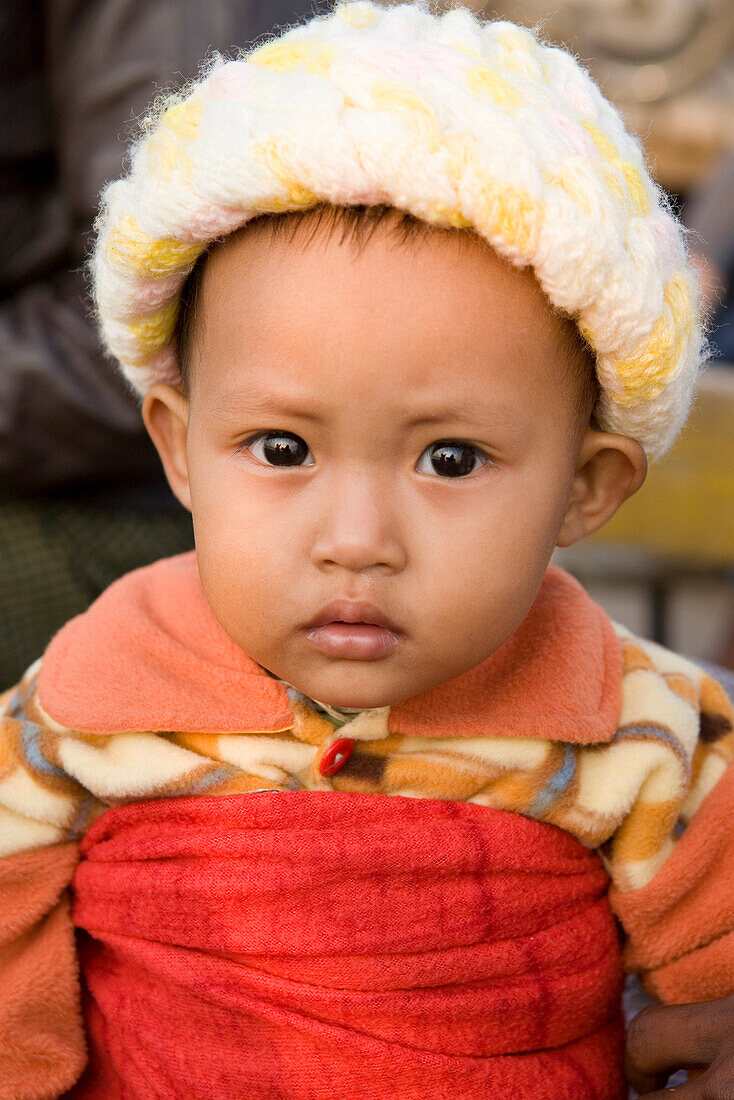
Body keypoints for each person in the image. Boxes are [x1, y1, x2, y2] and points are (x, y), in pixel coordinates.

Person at [1, 3, 733, 1097]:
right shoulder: (86, 697)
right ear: (180, 446)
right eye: (283, 447)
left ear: (584, 487)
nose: (355, 541)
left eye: (448, 460)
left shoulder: (652, 738)